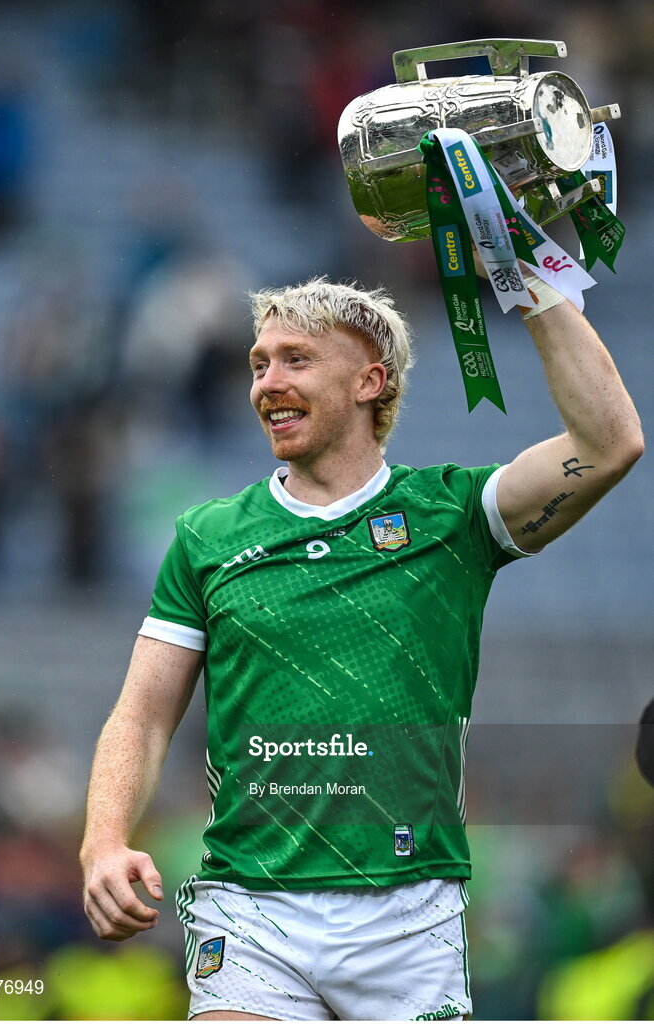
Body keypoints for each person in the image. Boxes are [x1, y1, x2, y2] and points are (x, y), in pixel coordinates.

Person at [80, 273, 643, 1021]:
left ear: (370, 381)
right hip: (252, 905)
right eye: (258, 363)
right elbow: (143, 716)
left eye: (295, 360)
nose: (267, 383)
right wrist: (103, 840)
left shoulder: (452, 515)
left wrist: (524, 277)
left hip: (407, 915)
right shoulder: (206, 538)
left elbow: (610, 446)